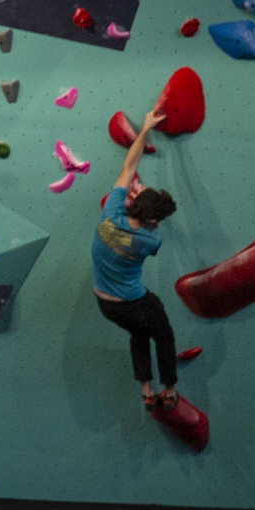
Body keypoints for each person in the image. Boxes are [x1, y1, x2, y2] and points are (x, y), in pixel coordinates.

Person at [91, 110, 181, 412]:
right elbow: (145, 230)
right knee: (163, 333)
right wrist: (145, 202)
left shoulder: (111, 212)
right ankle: (168, 388)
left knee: (139, 332)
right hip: (132, 301)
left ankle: (145, 389)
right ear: (153, 220)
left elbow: (129, 165)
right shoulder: (151, 241)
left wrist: (144, 129)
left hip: (104, 303)